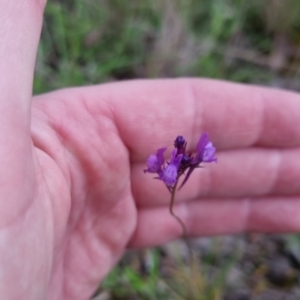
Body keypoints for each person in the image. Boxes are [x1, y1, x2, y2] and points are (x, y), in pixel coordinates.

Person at [1, 2, 300, 300]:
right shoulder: (168, 168)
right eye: (167, 168)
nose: (168, 169)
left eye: (168, 167)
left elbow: (186, 162)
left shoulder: (182, 164)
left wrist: (186, 163)